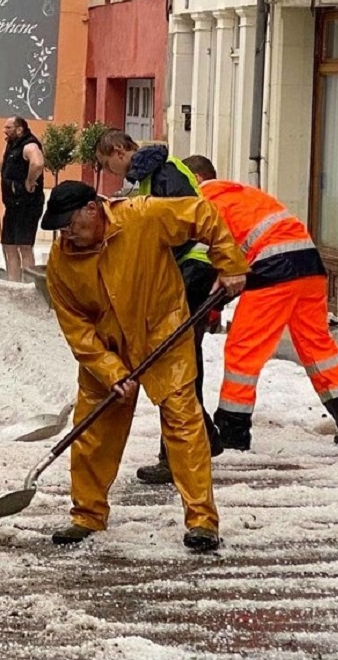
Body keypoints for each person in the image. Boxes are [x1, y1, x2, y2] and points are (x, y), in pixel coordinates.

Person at [41, 181, 249, 552]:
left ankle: (202, 521)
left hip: (161, 335)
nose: (66, 233)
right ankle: (86, 515)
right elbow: (75, 325)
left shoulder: (142, 216)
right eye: (60, 228)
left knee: (184, 424)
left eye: (70, 223)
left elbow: (203, 214)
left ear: (92, 208)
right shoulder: (61, 260)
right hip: (106, 349)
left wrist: (230, 263)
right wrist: (109, 369)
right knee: (93, 433)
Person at [183, 155, 338, 448]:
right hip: (310, 265)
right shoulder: (243, 193)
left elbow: (206, 262)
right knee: (318, 348)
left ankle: (232, 432)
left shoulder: (204, 201)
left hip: (272, 270)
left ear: (197, 179)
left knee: (244, 349)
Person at [95, 130, 224, 485]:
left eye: (111, 165)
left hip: (192, 270)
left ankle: (178, 453)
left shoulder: (164, 174)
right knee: (183, 359)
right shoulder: (155, 176)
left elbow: (180, 225)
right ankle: (203, 438)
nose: (116, 174)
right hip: (188, 269)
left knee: (173, 361)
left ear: (120, 151)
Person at [0, 116, 44, 283]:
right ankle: (13, 282)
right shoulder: (13, 144)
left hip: (27, 205)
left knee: (24, 246)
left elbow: (38, 163)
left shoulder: (29, 144)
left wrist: (29, 182)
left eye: (8, 127)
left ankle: (28, 284)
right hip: (12, 204)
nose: (5, 130)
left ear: (19, 129)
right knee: (8, 245)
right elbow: (8, 162)